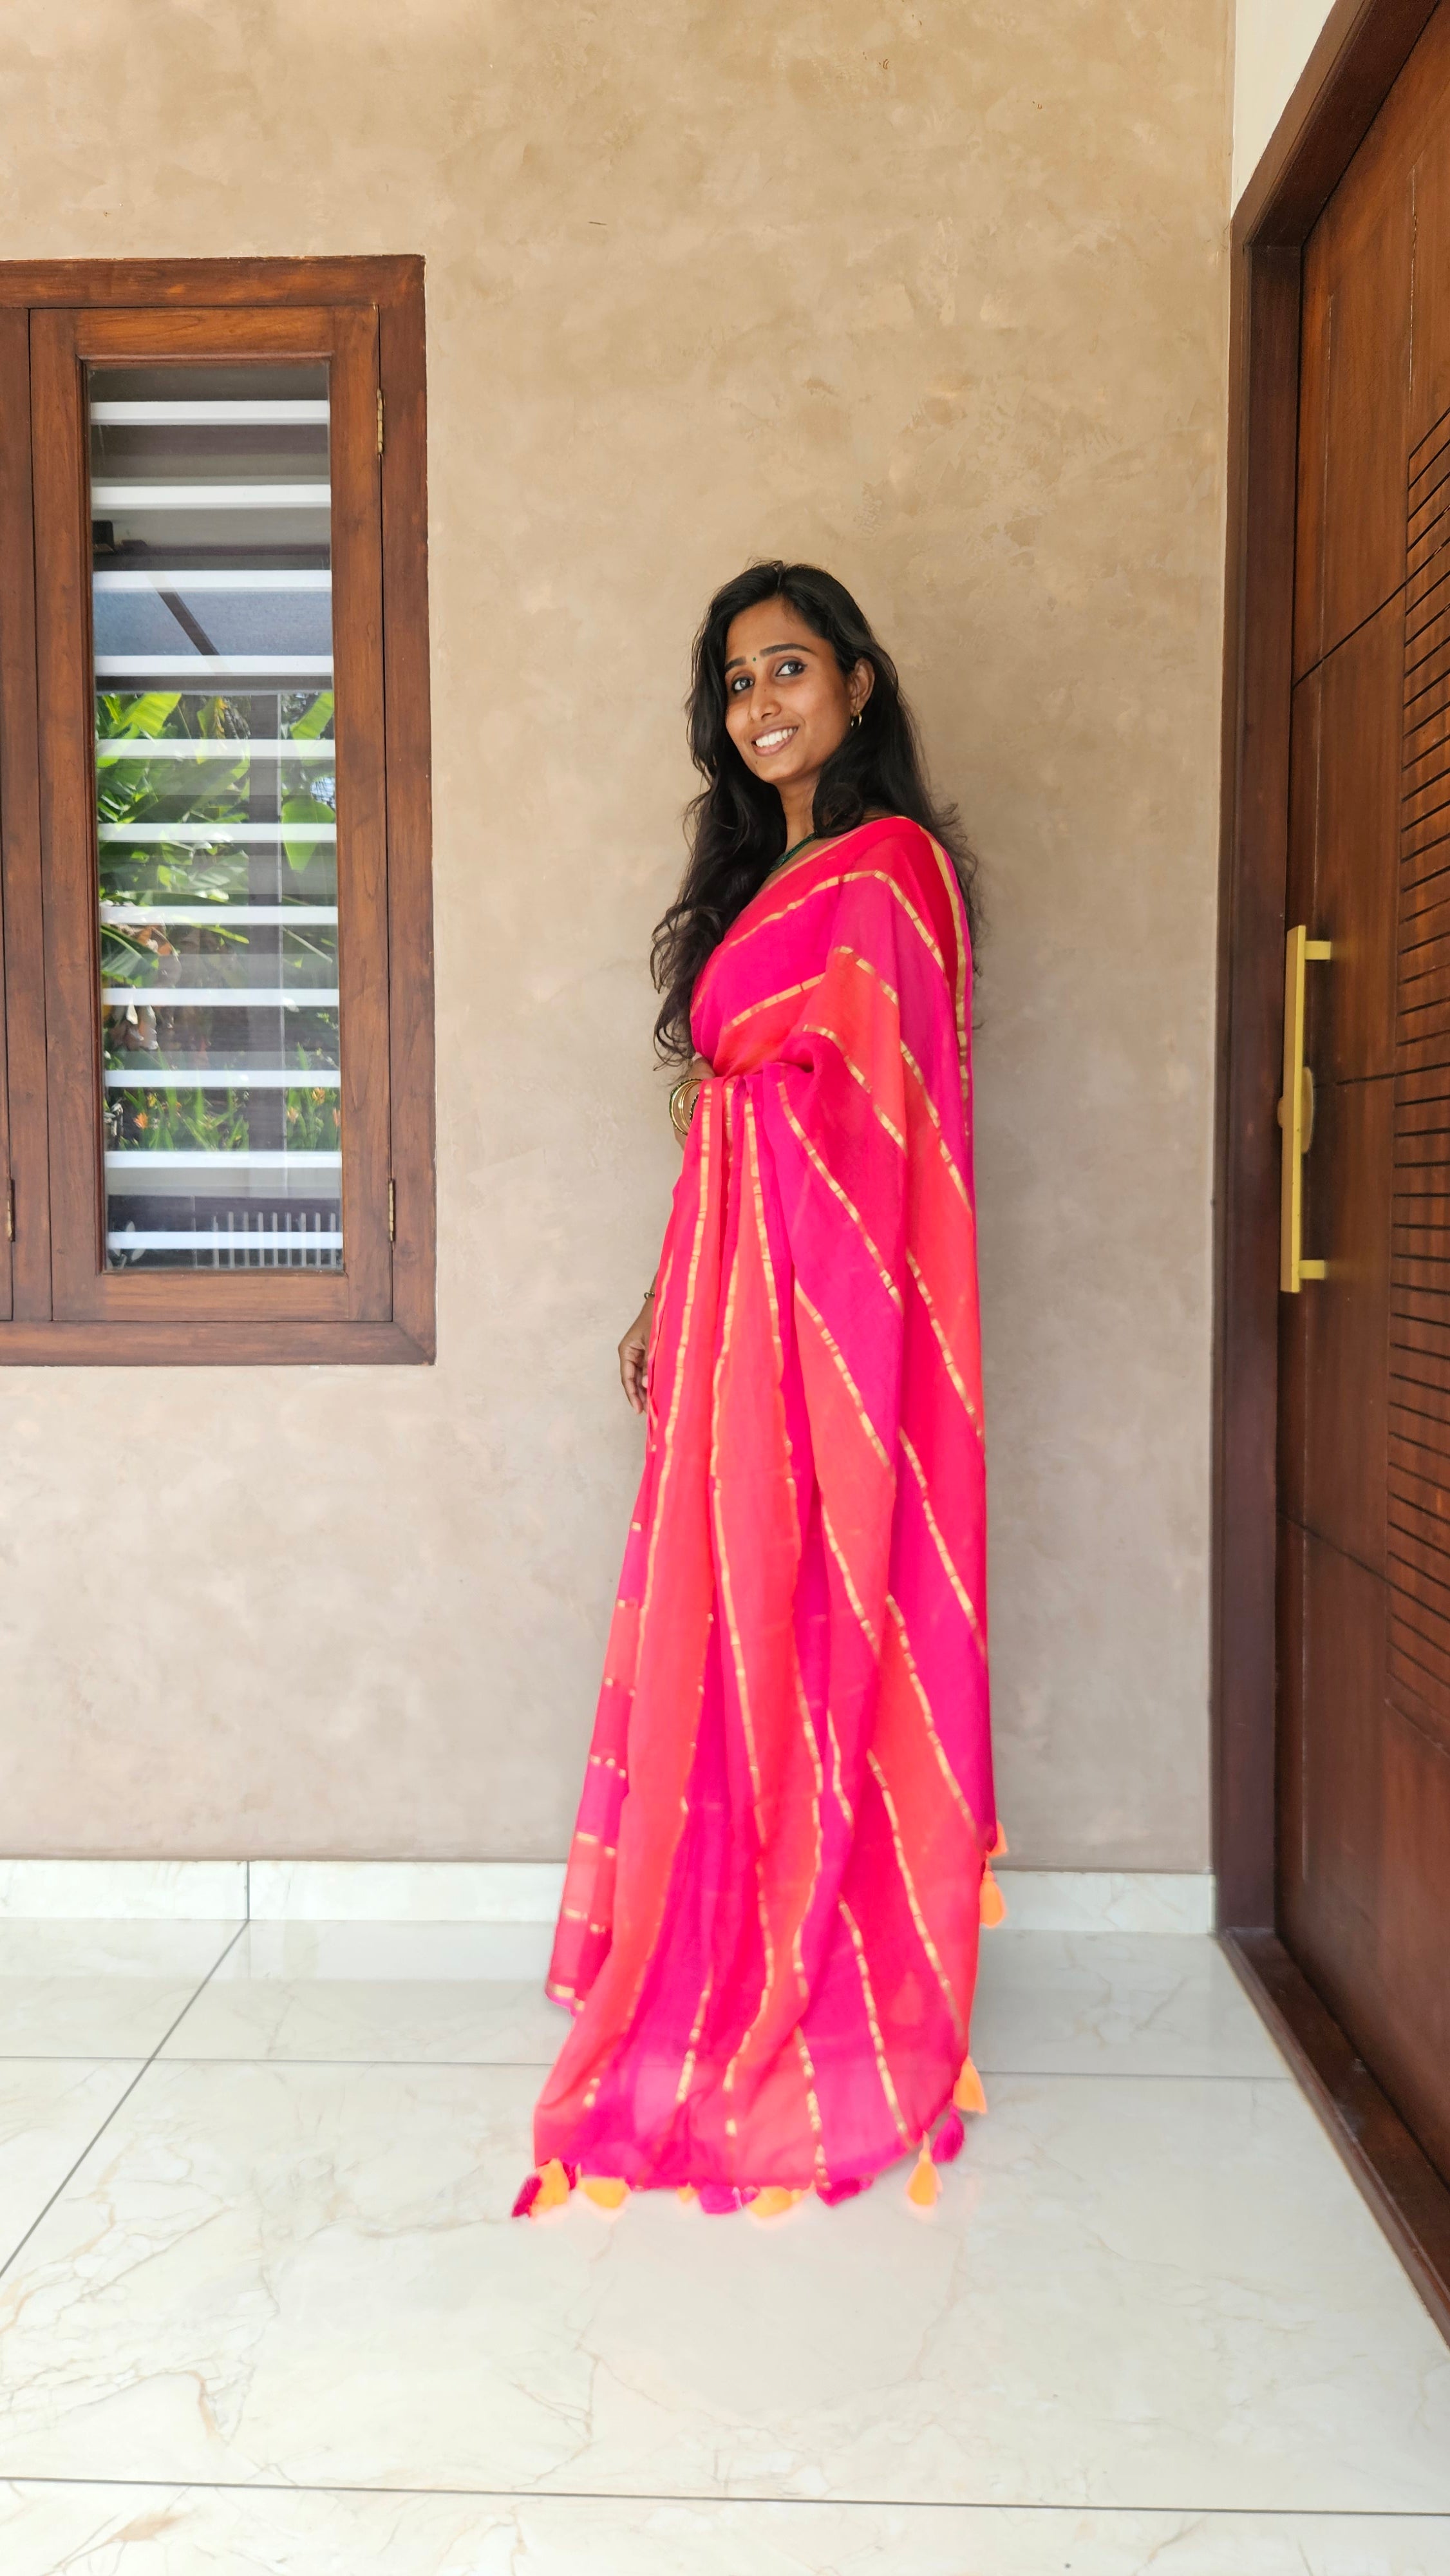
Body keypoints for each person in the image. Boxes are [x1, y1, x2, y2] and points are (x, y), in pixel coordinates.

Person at [516, 562, 999, 2224]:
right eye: (734, 684)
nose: (760, 705)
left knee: (814, 1611)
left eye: (788, 669)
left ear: (858, 685)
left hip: (830, 1323)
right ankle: (717, 1945)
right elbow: (719, 1113)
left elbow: (886, 1122)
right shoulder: (755, 883)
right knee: (722, 1625)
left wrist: (742, 1213)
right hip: (734, 1309)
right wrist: (672, 1293)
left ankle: (835, 1968)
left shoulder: (893, 875)